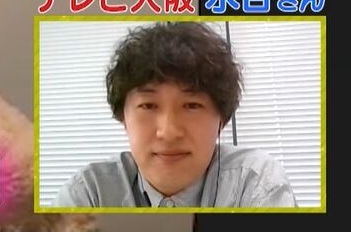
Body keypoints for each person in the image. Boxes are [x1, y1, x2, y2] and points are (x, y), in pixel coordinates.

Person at [53, 22, 296, 209]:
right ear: (123, 118)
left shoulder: (255, 183)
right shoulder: (89, 194)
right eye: (148, 105)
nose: (168, 133)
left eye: (192, 105)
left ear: (221, 120)